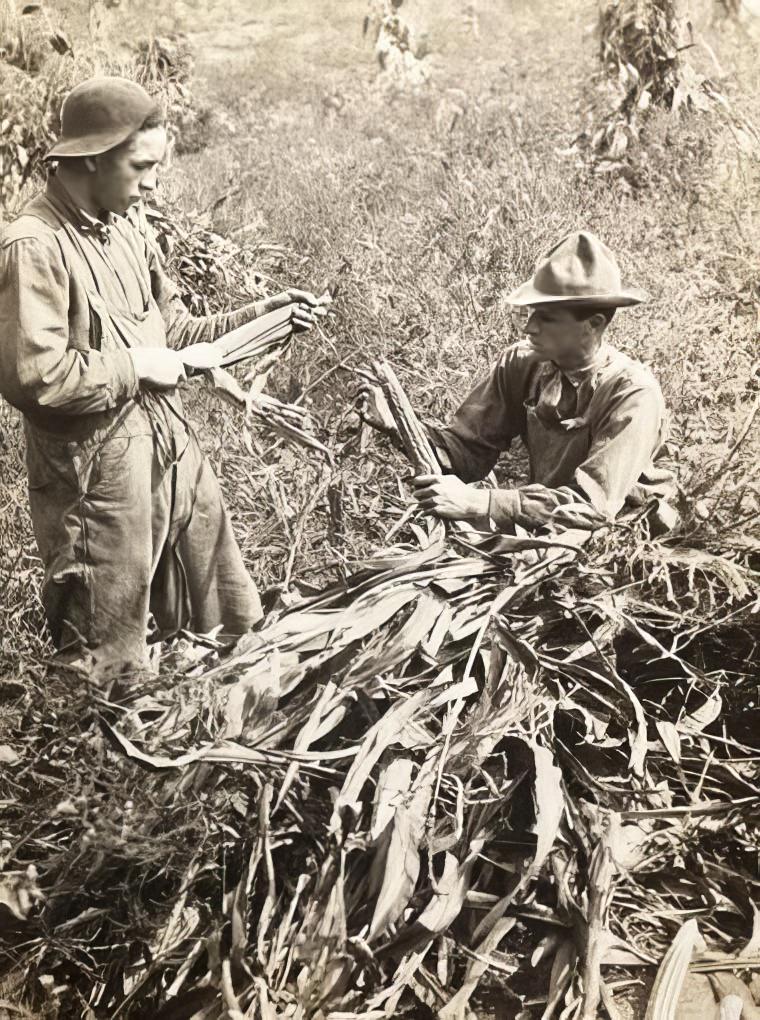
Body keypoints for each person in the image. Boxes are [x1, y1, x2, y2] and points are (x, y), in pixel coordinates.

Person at [0, 76, 321, 678]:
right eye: (140, 166)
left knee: (229, 629)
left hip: (173, 457)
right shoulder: (34, 246)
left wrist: (266, 315)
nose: (152, 183)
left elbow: (174, 332)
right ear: (91, 159)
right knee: (107, 670)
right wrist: (137, 367)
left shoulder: (128, 228)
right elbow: (34, 377)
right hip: (97, 487)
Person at [359, 231, 676, 532]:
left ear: (591, 326)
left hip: (622, 543)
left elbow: (591, 508)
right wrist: (399, 424)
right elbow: (467, 453)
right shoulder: (524, 366)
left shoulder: (632, 394)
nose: (530, 328)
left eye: (547, 318)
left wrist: (478, 503)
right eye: (532, 313)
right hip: (546, 531)